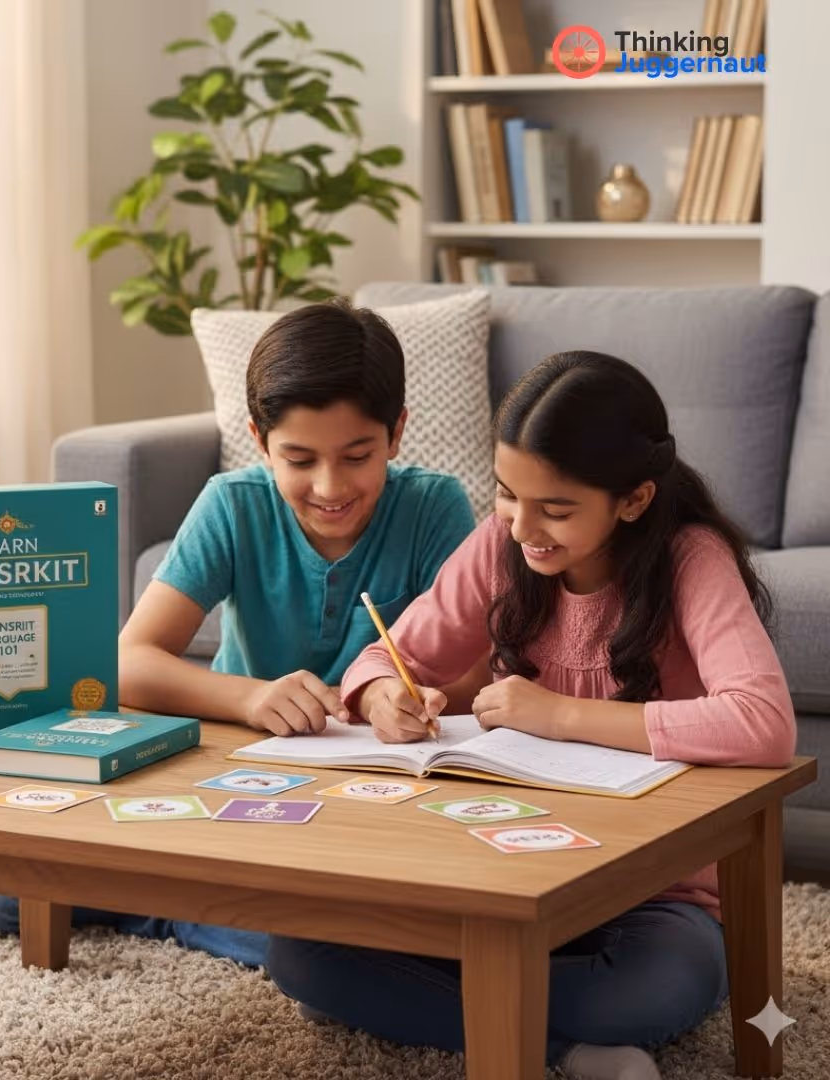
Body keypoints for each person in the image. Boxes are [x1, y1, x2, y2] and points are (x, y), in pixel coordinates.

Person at [265, 350, 797, 1080]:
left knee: (644, 993)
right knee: (301, 952)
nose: (522, 527)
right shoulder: (501, 544)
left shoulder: (688, 558)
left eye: (556, 508)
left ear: (633, 499)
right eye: (508, 495)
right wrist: (383, 697)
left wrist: (559, 714)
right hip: (509, 873)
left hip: (657, 897)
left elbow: (763, 721)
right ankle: (571, 1054)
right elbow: (384, 657)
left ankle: (412, 1004)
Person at [0, 299, 480, 969]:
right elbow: (127, 663)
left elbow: (473, 676)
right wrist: (249, 700)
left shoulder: (434, 507)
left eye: (358, 456)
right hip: (242, 781)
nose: (330, 486)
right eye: (299, 459)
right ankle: (193, 911)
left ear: (397, 433)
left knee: (343, 939)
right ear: (260, 443)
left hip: (375, 797)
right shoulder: (233, 503)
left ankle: (185, 910)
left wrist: (400, 698)